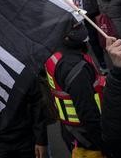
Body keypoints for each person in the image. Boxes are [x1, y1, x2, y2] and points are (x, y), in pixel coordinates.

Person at [45, 21, 105, 156]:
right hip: (88, 138)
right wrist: (104, 145)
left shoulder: (54, 51)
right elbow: (87, 112)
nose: (81, 28)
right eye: (76, 26)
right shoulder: (74, 67)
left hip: (71, 131)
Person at [61, 0, 106, 71]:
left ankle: (102, 63)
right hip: (76, 19)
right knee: (83, 44)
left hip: (90, 14)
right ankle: (90, 67)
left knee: (95, 40)